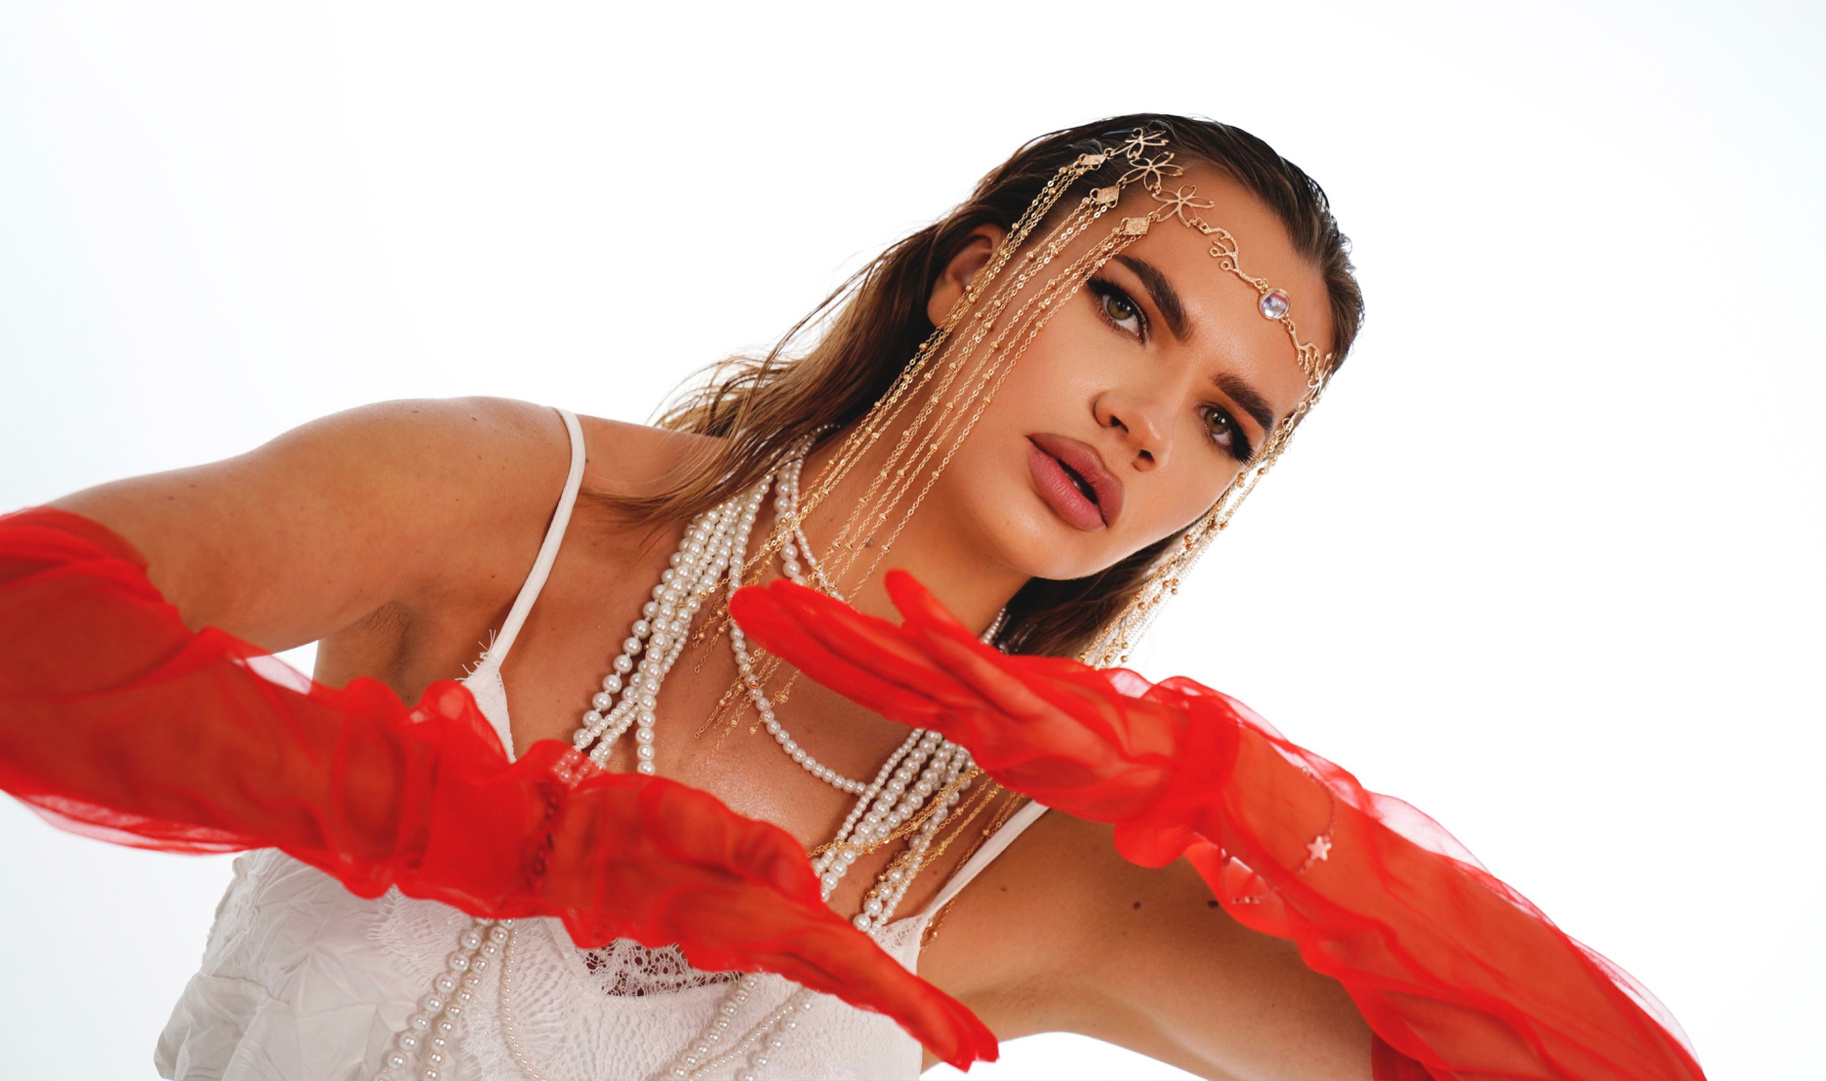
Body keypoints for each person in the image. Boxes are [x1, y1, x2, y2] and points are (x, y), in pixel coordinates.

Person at [0, 115, 1703, 1080]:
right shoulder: (514, 512)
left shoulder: (1042, 867)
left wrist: (1220, 790)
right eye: (1128, 307)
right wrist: (522, 839)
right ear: (972, 272)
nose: (1146, 420)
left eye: (1226, 425)